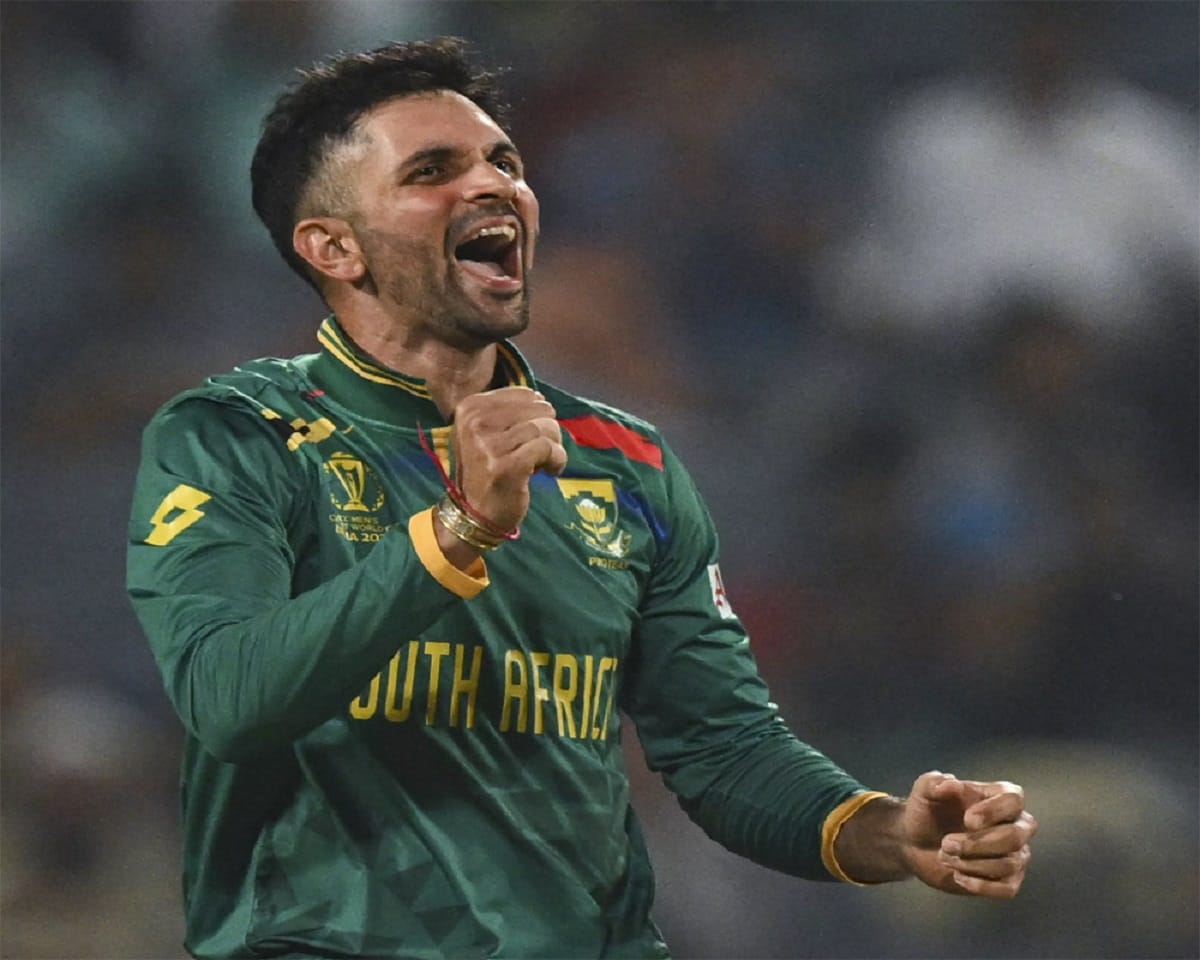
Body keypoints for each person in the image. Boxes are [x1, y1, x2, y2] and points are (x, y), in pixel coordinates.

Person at [126, 37, 1037, 959]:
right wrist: (457, 532)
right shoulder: (235, 436)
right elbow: (229, 696)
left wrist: (887, 833)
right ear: (333, 246)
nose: (493, 187)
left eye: (503, 162)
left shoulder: (625, 461)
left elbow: (722, 751)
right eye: (433, 170)